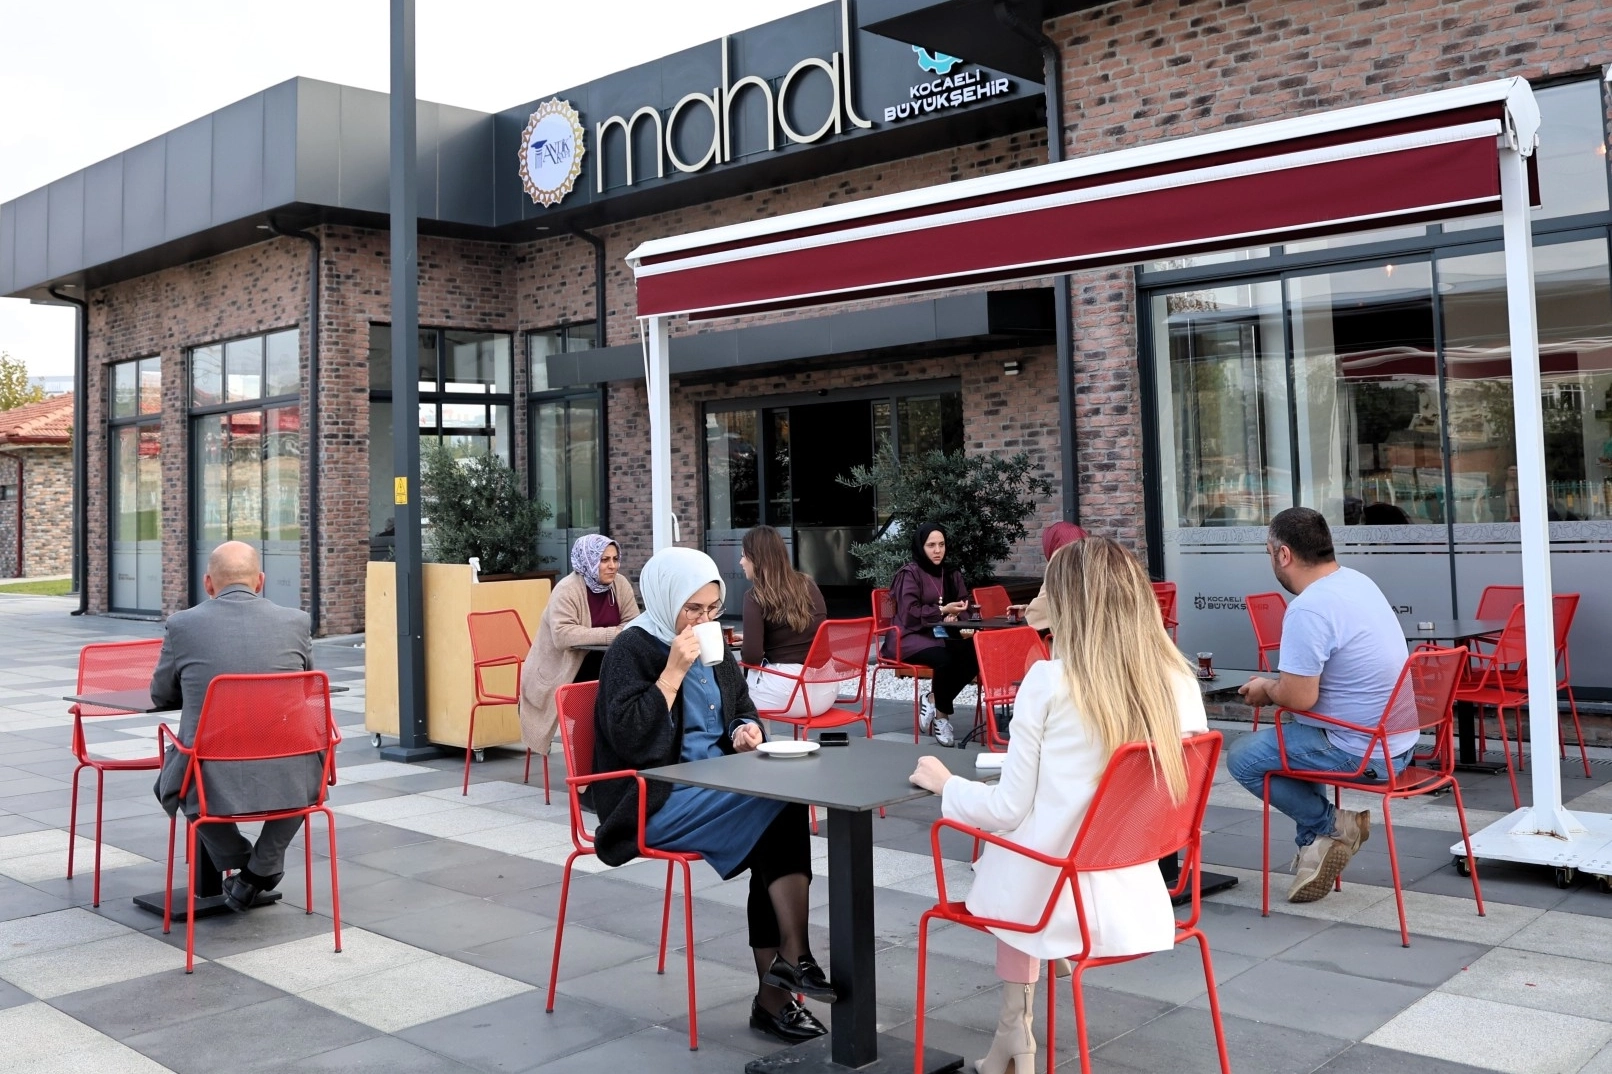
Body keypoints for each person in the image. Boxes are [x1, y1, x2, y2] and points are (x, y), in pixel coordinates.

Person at [909, 537, 1208, 1074]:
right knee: (1022, 846)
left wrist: (947, 786)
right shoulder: (1179, 681)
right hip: (1137, 887)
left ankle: (1015, 1033)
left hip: (1056, 893)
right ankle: (1012, 1034)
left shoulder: (1049, 680)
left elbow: (1005, 810)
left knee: (1002, 847)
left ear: (1070, 603)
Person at [592, 547, 833, 1044]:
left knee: (778, 805)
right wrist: (672, 674)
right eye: (692, 609)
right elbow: (631, 739)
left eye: (712, 609)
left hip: (717, 783)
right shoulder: (630, 650)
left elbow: (742, 706)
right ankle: (787, 973)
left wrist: (745, 730)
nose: (703, 621)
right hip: (653, 797)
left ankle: (785, 977)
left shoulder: (714, 643)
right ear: (666, 600)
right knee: (778, 804)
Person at [1228, 507, 1410, 904]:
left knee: (1243, 757)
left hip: (1363, 751)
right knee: (1296, 736)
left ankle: (1335, 826)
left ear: (1284, 554)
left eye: (1268, 553)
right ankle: (1312, 850)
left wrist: (1266, 688)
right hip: (1398, 742)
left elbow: (1298, 697)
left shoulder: (1309, 608)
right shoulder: (1358, 582)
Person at [151, 541, 320, 913]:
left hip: (211, 764)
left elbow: (161, 694)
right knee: (308, 774)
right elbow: (307, 685)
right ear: (260, 581)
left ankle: (244, 864)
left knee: (175, 781)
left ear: (208, 584)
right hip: (291, 761)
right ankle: (259, 869)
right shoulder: (296, 621)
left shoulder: (182, 625)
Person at [519, 534, 641, 759]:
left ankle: (615, 763)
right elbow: (563, 635)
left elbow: (634, 624)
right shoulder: (567, 590)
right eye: (604, 560)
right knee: (592, 709)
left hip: (606, 663)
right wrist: (612, 634)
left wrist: (614, 635)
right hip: (565, 670)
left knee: (634, 695)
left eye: (615, 559)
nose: (612, 566)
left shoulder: (620, 584)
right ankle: (586, 768)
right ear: (588, 561)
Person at [885, 522, 978, 747]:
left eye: (941, 545)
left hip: (940, 634)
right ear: (921, 546)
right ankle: (942, 718)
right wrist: (942, 611)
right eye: (931, 545)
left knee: (974, 655)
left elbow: (966, 604)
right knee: (945, 659)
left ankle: (933, 699)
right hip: (909, 636)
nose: (937, 550)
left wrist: (956, 615)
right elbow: (909, 613)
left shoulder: (951, 572)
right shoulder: (910, 574)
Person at [738, 526, 834, 718]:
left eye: (744, 556)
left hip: (789, 694)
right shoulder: (808, 584)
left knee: (734, 701)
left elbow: (752, 657)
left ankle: (759, 738)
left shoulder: (754, 597)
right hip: (826, 691)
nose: (741, 562)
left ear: (757, 559)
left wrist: (749, 643)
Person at [1024, 521, 1086, 632]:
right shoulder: (1096, 566)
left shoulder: (1060, 570)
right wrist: (1027, 609)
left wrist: (1030, 611)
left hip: (1068, 640)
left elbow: (1035, 618)